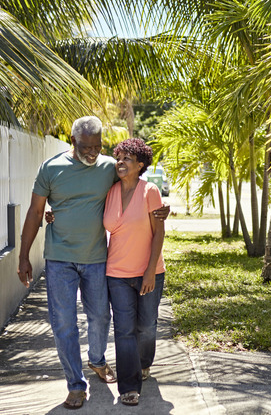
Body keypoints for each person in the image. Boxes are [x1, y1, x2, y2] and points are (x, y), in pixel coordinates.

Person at [17, 116, 169, 410]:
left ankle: (97, 360)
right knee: (63, 323)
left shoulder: (108, 169)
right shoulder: (50, 168)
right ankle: (76, 385)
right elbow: (36, 212)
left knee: (100, 317)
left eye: (98, 147)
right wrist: (24, 256)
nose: (92, 153)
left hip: (98, 259)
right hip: (59, 258)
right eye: (86, 147)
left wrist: (162, 209)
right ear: (73, 142)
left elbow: (136, 183)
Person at [104, 138, 166, 406]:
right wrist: (54, 215)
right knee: (124, 330)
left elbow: (159, 232)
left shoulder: (149, 190)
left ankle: (143, 363)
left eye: (127, 159)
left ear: (140, 165)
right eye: (118, 157)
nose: (120, 162)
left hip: (148, 271)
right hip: (116, 272)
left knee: (147, 326)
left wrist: (150, 271)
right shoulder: (109, 191)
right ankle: (129, 385)